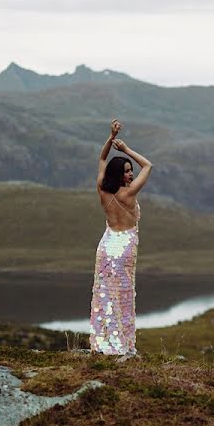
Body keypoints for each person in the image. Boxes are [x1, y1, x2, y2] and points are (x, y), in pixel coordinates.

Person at [90, 118, 153, 356]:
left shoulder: (102, 188)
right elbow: (148, 165)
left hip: (107, 244)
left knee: (105, 294)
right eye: (127, 171)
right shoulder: (129, 193)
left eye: (130, 171)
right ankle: (122, 345)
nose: (131, 174)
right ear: (120, 175)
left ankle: (105, 344)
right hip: (125, 245)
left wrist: (110, 136)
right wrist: (126, 149)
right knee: (123, 294)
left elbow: (101, 159)